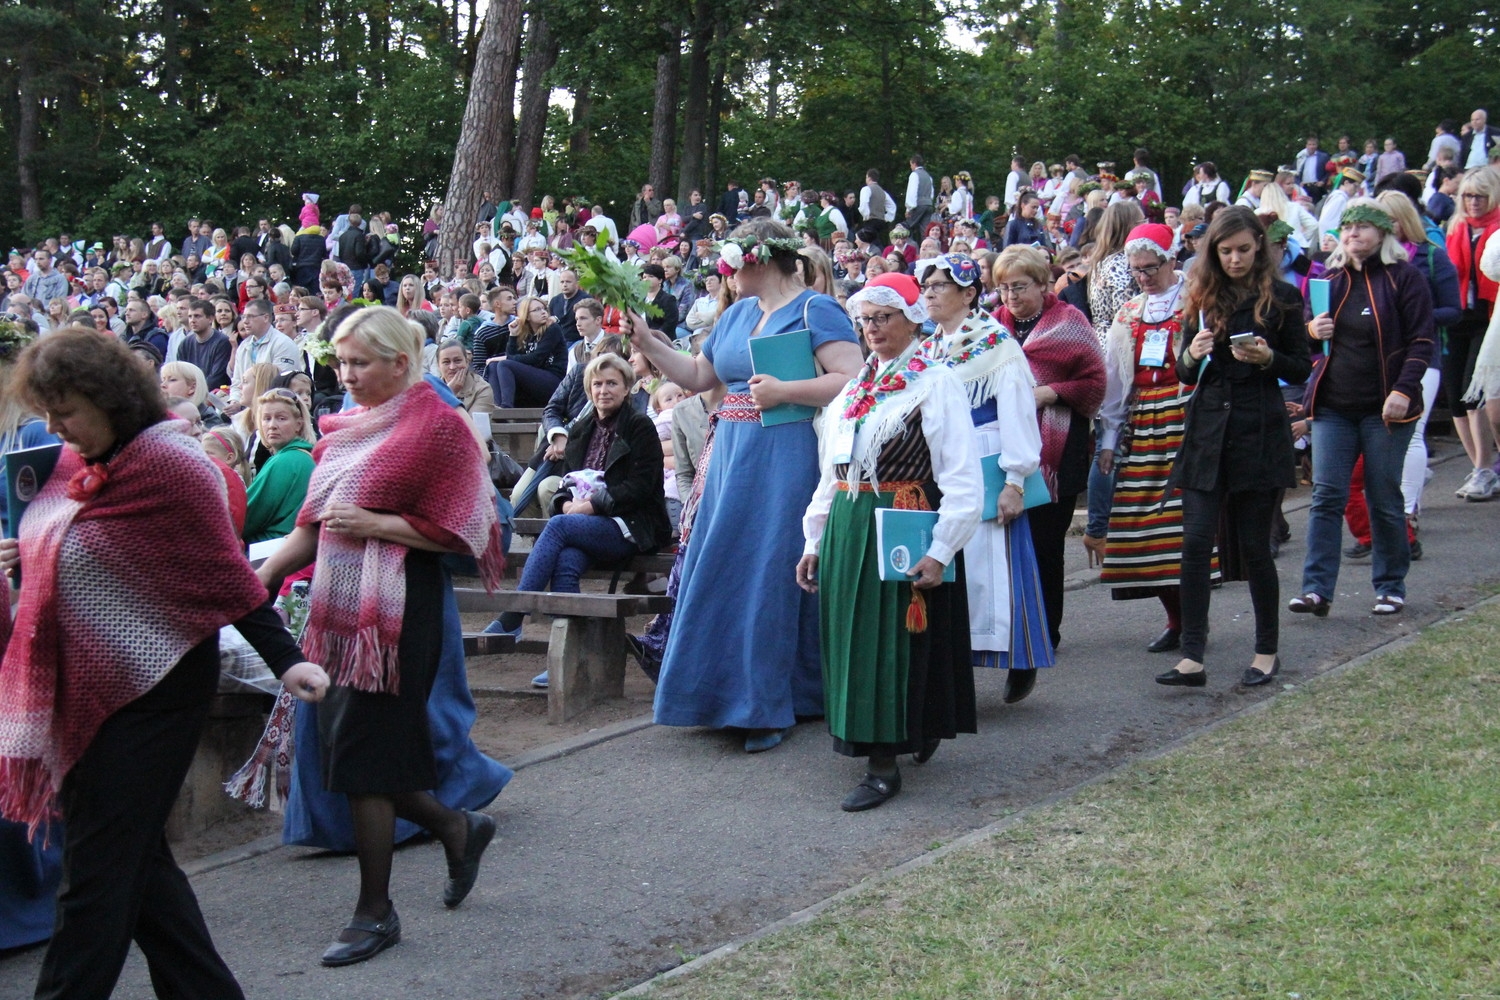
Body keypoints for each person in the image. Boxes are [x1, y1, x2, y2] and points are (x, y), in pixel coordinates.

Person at [0, 328, 328, 999]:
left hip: (157, 689)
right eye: (48, 412)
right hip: (84, 687)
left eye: (66, 410)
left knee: (95, 871)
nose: (55, 425)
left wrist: (286, 659)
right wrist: (26, 555)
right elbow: (68, 550)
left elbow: (221, 571)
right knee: (137, 863)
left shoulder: (173, 466)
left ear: (109, 398)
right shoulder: (70, 463)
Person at [255, 305, 506, 966]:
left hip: (404, 609)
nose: (348, 375)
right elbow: (317, 524)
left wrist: (378, 524)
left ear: (401, 361)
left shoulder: (439, 429)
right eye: (341, 362)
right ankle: (456, 826)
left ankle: (375, 914)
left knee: (366, 758)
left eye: (361, 362)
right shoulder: (343, 434)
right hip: (339, 610)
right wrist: (262, 575)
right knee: (350, 751)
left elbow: (466, 530)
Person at [629, 219, 862, 753]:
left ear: (760, 257)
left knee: (769, 571)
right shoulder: (734, 314)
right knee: (727, 566)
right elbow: (694, 376)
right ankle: (728, 695)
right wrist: (647, 341)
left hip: (786, 453)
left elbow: (853, 377)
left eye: (732, 259)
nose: (725, 271)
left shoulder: (814, 309)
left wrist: (786, 390)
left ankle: (767, 704)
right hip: (731, 453)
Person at [797, 272, 981, 810]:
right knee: (854, 639)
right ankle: (905, 731)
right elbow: (831, 474)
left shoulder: (935, 381)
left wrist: (942, 548)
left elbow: (962, 476)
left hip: (903, 516)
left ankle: (883, 765)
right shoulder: (856, 388)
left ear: (911, 319)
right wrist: (813, 540)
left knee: (889, 642)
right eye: (865, 320)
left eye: (883, 317)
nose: (872, 328)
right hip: (850, 523)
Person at [1154, 208, 1312, 689]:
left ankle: (1266, 651)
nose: (1236, 258)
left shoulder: (1282, 297)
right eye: (1226, 251)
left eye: (1244, 249)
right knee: (1196, 543)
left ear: (1259, 247)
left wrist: (1269, 358)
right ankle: (1193, 656)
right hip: (1207, 432)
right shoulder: (1201, 297)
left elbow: (1300, 367)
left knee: (1255, 548)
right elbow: (1182, 372)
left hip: (1258, 429)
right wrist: (1191, 353)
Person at [916, 253, 1053, 703]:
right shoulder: (927, 348)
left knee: (994, 569)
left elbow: (1018, 412)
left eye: (942, 285)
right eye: (928, 285)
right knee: (952, 564)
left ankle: (1021, 657)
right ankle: (956, 670)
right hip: (942, 467)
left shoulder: (997, 346)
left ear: (969, 294)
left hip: (985, 457)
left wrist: (1015, 480)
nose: (931, 293)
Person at [1293, 199, 1433, 618]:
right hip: (1335, 405)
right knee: (1326, 496)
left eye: (1362, 228)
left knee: (1384, 497)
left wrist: (1404, 390)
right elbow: (1307, 347)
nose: (1354, 235)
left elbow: (1422, 342)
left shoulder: (1404, 279)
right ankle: (1316, 589)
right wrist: (1310, 330)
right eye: (1348, 228)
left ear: (1383, 233)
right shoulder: (1327, 281)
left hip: (1385, 409)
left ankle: (1390, 585)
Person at [489, 353, 670, 667]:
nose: (604, 390)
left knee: (558, 527)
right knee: (567, 562)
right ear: (588, 390)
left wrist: (591, 505)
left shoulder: (639, 426)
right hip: (589, 525)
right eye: (597, 384)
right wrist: (565, 502)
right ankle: (571, 662)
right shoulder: (583, 427)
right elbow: (564, 483)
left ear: (627, 387)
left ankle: (513, 614)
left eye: (612, 383)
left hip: (631, 525)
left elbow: (640, 487)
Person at [990, 246, 1106, 652]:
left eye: (1019, 287)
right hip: (1003, 452)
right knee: (1005, 545)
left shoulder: (1069, 323)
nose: (1010, 297)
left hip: (1057, 452)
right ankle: (1011, 627)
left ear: (1042, 284)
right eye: (1003, 288)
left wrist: (1052, 392)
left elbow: (1095, 383)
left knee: (1045, 545)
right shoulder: (992, 328)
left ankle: (1045, 631)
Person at [1097, 223, 1198, 652]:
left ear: (1172, 259)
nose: (1143, 276)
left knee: (1185, 525)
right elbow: (1116, 381)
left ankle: (1194, 620)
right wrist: (1108, 439)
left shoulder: (1196, 303)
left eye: (1150, 267)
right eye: (1136, 270)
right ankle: (1175, 618)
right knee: (1144, 526)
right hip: (1144, 423)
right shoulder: (1128, 314)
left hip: (1185, 416)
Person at [1445, 170, 1500, 500]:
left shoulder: (1497, 229)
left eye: (1480, 195)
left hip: (1489, 316)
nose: (1473, 202)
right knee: (1455, 396)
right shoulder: (1456, 228)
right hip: (1457, 317)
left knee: (1474, 391)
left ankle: (1484, 467)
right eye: (1467, 196)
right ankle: (1480, 465)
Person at [242, 387, 317, 544]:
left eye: (281, 418)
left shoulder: (286, 460)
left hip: (269, 552)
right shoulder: (307, 457)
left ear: (299, 424)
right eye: (266, 418)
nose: (272, 425)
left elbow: (244, 519)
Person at [487, 294, 566, 408]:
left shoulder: (552, 329)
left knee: (504, 364)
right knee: (494, 366)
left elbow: (536, 359)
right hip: (532, 381)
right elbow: (512, 356)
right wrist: (513, 335)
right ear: (527, 316)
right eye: (537, 310)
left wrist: (507, 358)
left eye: (544, 308)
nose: (543, 312)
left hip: (553, 381)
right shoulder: (525, 332)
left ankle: (506, 408)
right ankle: (498, 407)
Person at [438, 338, 498, 415]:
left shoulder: (482, 389)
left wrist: (449, 394)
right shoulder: (431, 390)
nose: (452, 367)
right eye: (446, 362)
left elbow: (471, 425)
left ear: (467, 362)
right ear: (438, 366)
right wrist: (449, 391)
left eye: (457, 361)